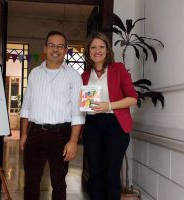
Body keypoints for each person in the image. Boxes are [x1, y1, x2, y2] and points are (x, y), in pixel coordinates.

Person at [19, 31, 85, 200]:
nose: (55, 49)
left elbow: (78, 111)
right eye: (51, 45)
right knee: (31, 181)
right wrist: (24, 134)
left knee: (58, 183)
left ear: (65, 49)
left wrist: (73, 140)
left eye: (60, 46)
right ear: (45, 48)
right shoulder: (34, 73)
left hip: (60, 135)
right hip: (35, 133)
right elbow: (26, 106)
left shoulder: (73, 76)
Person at [81, 32, 138, 200]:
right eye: (93, 47)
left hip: (115, 125)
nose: (97, 50)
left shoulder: (118, 69)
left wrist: (109, 105)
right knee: (95, 172)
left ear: (107, 50)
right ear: (88, 51)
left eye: (101, 47)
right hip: (92, 125)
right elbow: (84, 104)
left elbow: (133, 98)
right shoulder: (84, 75)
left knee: (111, 172)